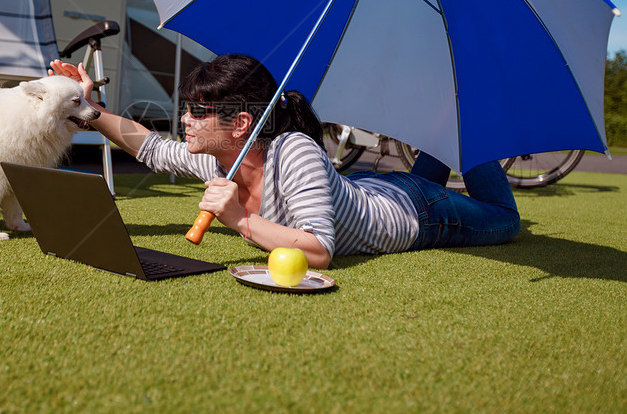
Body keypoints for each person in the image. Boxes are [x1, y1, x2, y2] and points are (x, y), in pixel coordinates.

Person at [50, 54, 520, 270]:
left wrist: (236, 218)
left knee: (505, 220)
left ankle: (467, 111)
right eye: (185, 110)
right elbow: (151, 147)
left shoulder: (293, 148)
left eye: (197, 113)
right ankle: (450, 124)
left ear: (240, 125)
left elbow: (319, 252)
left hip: (417, 214)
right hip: (361, 188)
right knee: (431, 160)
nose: (185, 122)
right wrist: (88, 108)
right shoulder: (221, 160)